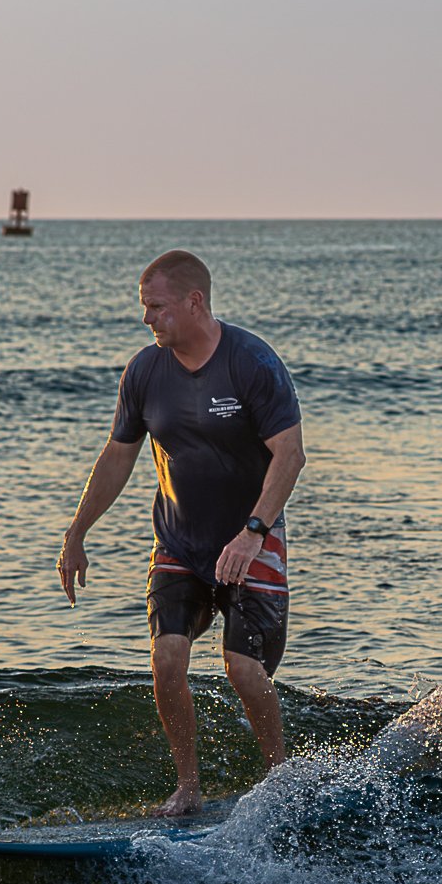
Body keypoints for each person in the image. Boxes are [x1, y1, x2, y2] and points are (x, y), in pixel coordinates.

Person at [57, 250, 306, 817]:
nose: (148, 319)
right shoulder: (145, 371)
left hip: (249, 543)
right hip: (178, 545)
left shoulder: (252, 362)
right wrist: (77, 533)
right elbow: (118, 457)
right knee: (167, 661)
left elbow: (289, 456)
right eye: (144, 307)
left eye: (157, 307)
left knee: (243, 670)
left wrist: (252, 534)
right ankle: (188, 787)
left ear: (194, 302)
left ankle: (280, 780)